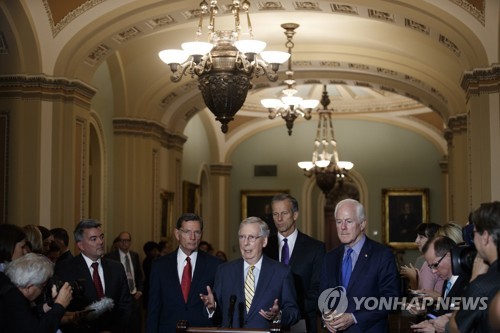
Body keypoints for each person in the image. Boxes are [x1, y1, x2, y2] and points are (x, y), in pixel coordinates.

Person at [201, 216, 300, 329]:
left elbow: (293, 312)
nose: (245, 243)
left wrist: (279, 315)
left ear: (264, 241)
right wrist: (211, 308)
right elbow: (218, 316)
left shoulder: (281, 272)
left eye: (251, 237)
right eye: (242, 237)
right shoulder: (224, 271)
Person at [320, 199, 400, 333]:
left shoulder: (382, 255)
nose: (343, 227)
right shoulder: (330, 257)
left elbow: (391, 299)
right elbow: (324, 294)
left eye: (349, 221)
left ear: (362, 224)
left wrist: (354, 317)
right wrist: (326, 315)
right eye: (339, 222)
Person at [146, 213, 224, 333]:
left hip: (202, 329)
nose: (192, 237)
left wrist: (212, 308)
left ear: (201, 234)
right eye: (187, 232)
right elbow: (153, 309)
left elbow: (223, 312)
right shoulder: (160, 266)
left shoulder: (216, 265)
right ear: (177, 234)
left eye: (197, 232)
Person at [55, 219, 132, 333]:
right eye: (93, 239)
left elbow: (125, 305)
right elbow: (63, 310)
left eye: (101, 237)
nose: (100, 242)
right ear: (81, 245)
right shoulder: (65, 269)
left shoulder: (117, 268)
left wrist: (113, 330)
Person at [263, 193, 325, 333]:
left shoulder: (315, 248)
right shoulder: (264, 246)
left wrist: (289, 311)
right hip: (266, 322)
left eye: (284, 213)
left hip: (303, 321)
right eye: (275, 214)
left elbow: (318, 288)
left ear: (295, 215)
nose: (279, 219)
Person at [448, 201, 500, 333]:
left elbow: (455, 328)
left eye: (474, 233)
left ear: (485, 237)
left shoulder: (482, 285)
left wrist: (474, 280)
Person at [409, 236, 471, 331]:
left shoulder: (467, 283)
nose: (433, 271)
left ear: (450, 256)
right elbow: (445, 311)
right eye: (430, 267)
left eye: (435, 265)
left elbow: (466, 325)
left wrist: (434, 330)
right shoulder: (447, 280)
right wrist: (426, 313)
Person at [1, 253, 73, 333]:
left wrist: (45, 307)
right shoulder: (14, 299)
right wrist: (60, 305)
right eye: (42, 286)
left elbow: (23, 318)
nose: (42, 291)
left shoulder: (7, 287)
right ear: (29, 287)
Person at [105, 231, 144, 333]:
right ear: (118, 242)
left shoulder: (135, 256)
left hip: (135, 297)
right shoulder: (110, 257)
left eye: (126, 240)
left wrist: (140, 290)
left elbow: (139, 275)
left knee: (135, 326)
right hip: (120, 299)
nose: (124, 243)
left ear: (130, 242)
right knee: (121, 326)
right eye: (121, 240)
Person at [400, 222, 443, 292]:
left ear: (433, 239)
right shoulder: (420, 259)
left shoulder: (427, 263)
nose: (416, 241)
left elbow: (421, 296)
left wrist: (413, 277)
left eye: (421, 237)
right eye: (417, 236)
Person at [142, 240, 160, 309]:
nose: (156, 252)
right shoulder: (147, 261)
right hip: (149, 287)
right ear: (148, 252)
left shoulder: (157, 260)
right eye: (154, 250)